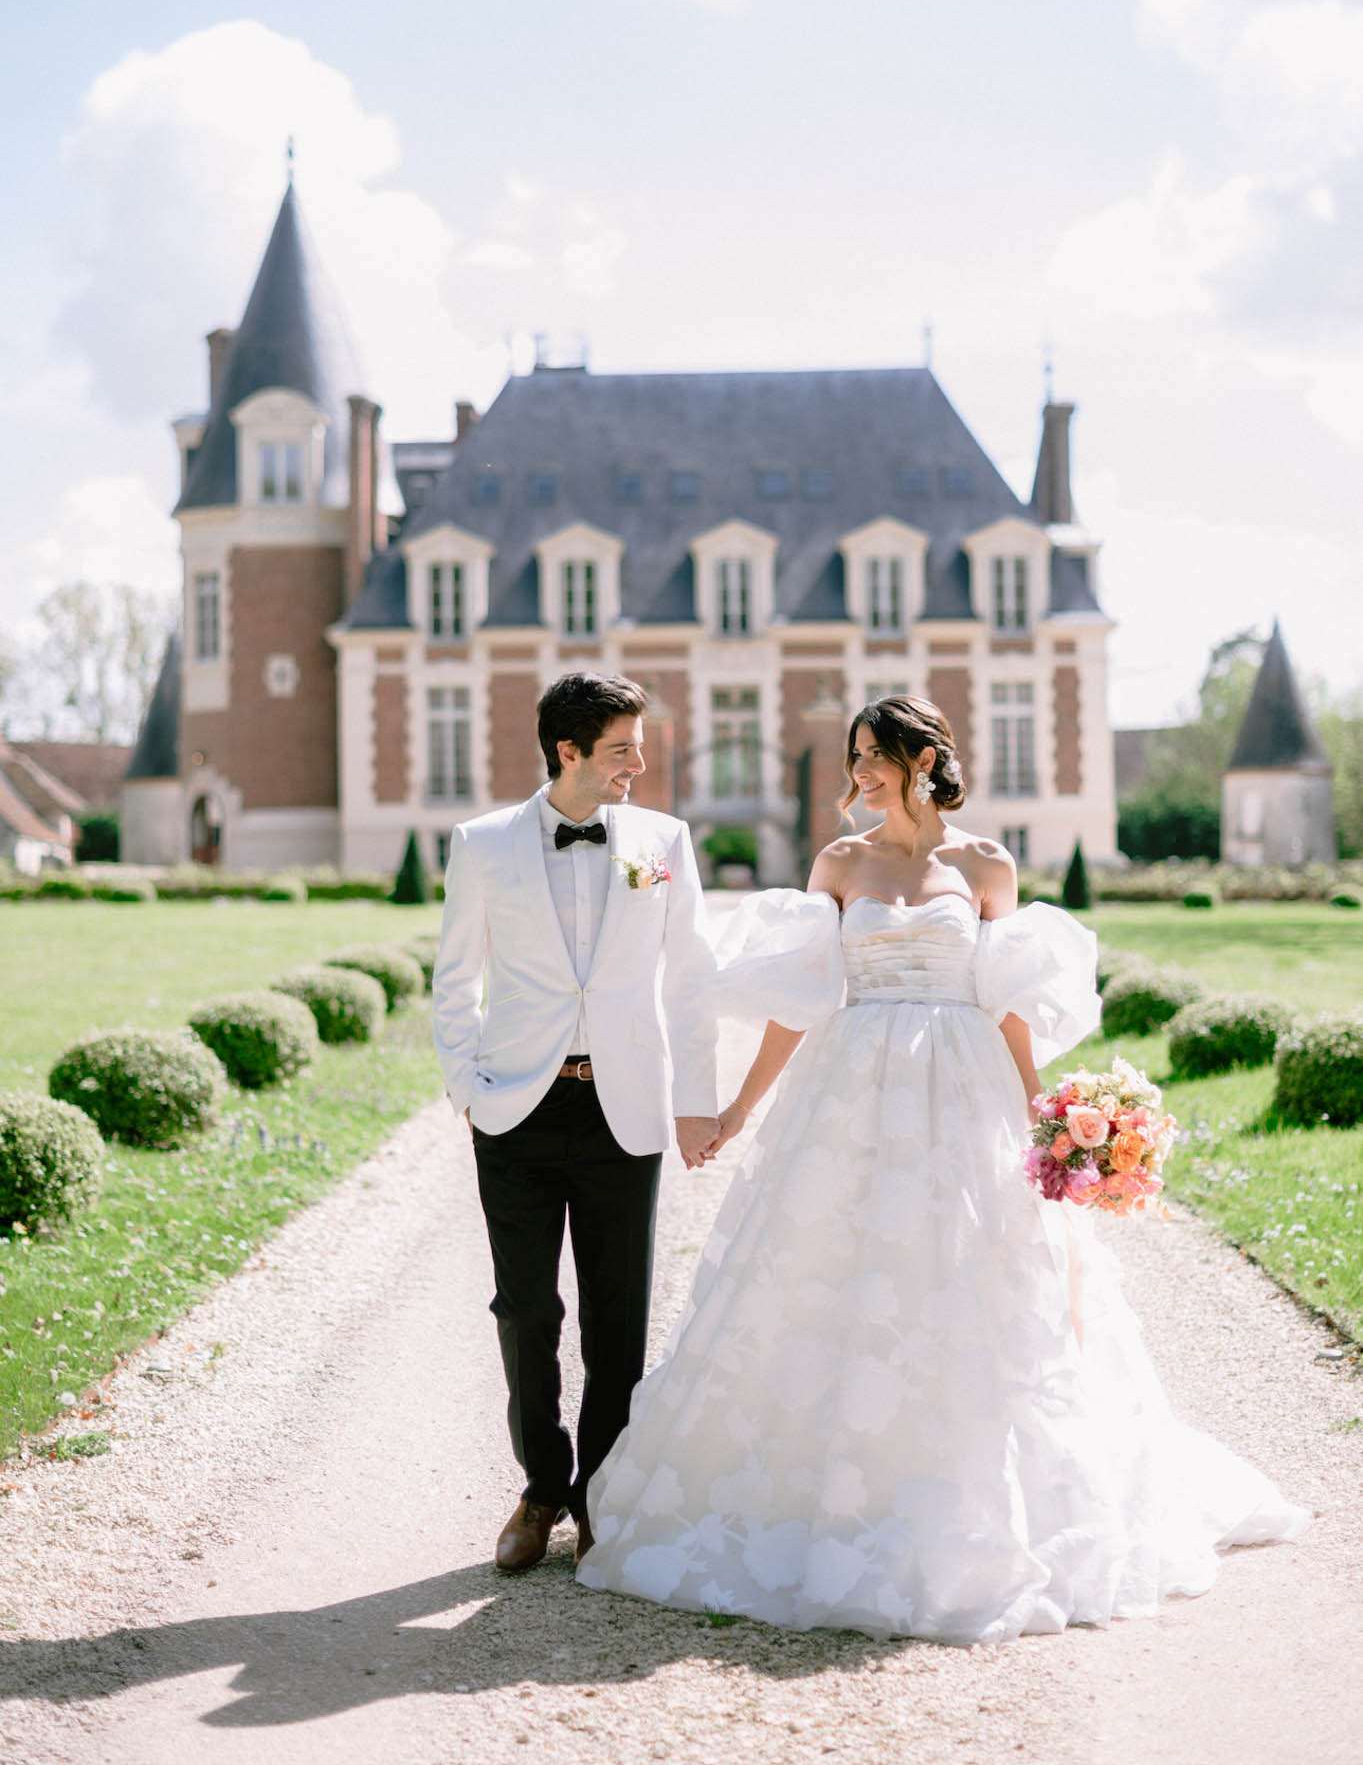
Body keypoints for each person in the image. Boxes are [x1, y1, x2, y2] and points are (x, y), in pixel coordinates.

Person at [577, 695, 1308, 1643]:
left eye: (878, 755)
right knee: (829, 1275)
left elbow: (1006, 1002)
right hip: (853, 1087)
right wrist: (735, 1111)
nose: (863, 772)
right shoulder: (839, 862)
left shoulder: (986, 865)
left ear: (926, 758)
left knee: (982, 1278)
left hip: (964, 1094)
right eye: (855, 757)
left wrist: (1052, 1118)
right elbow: (798, 1004)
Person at [433, 672, 719, 1574]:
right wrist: (469, 1092)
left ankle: (601, 1491)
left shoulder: (662, 841)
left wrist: (694, 1103)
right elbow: (453, 981)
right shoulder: (480, 846)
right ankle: (540, 1486)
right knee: (524, 1310)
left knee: (617, 1319)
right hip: (515, 1109)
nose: (640, 764)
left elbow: (691, 978)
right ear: (569, 751)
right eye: (623, 748)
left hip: (623, 1108)